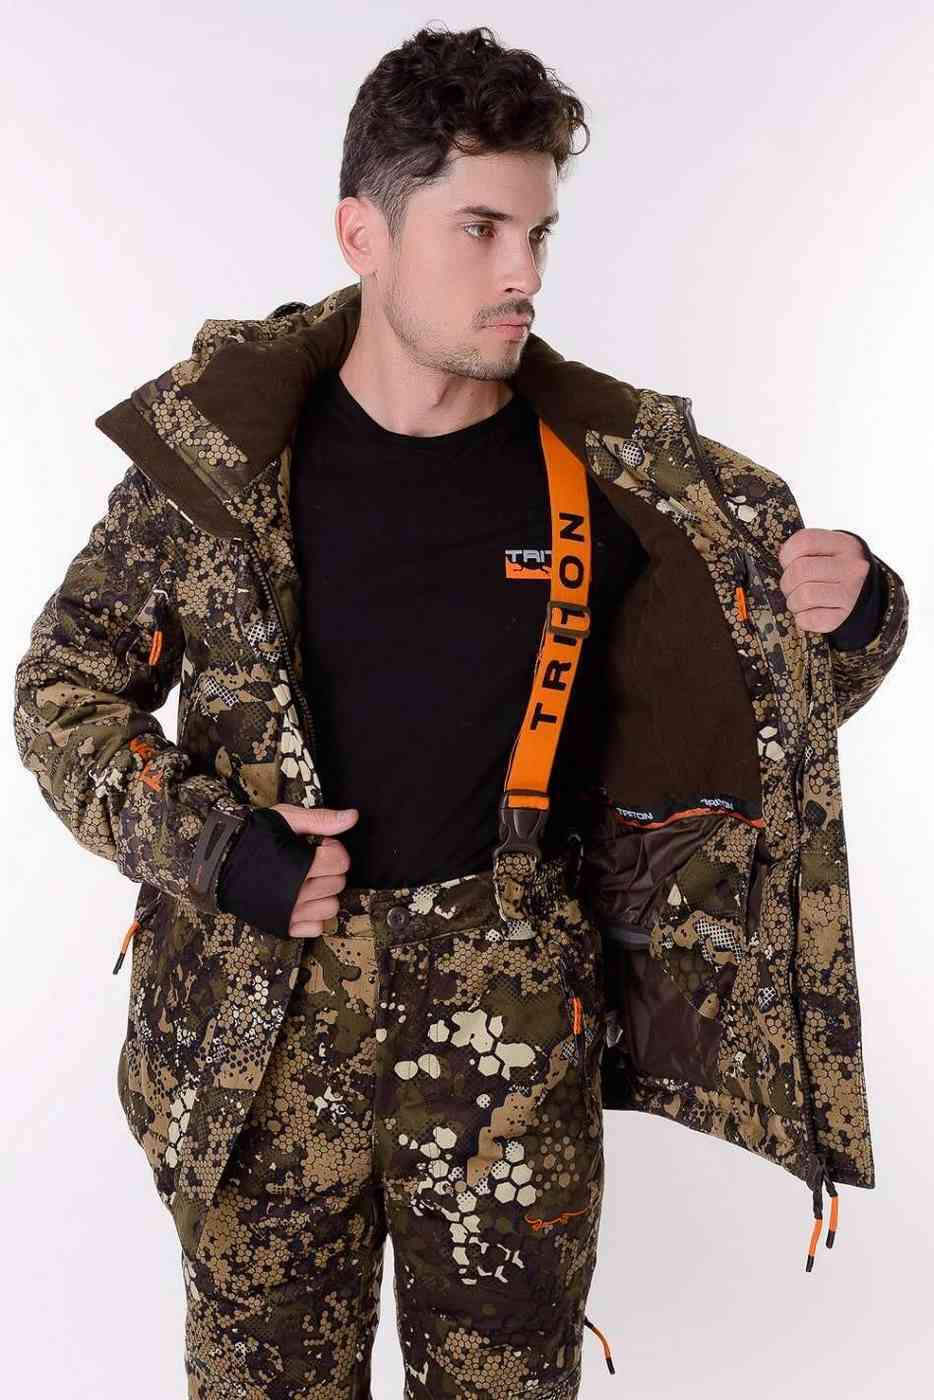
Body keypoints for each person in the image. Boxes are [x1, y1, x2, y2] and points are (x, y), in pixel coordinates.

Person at [12, 23, 908, 1399]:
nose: (521, 273)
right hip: (256, 1044)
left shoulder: (619, 479)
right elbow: (62, 689)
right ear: (361, 233)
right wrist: (218, 846)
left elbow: (751, 729)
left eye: (537, 234)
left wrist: (853, 616)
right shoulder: (219, 465)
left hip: (509, 1046)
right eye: (479, 229)